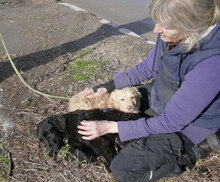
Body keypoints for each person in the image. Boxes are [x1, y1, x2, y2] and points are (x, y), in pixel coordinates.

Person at [77, 0, 220, 181]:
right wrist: (106, 87)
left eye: (165, 26)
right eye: (157, 21)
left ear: (189, 26)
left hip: (190, 125)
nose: (156, 30)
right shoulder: (172, 36)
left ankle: (198, 149)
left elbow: (171, 121)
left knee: (122, 169)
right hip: (163, 96)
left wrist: (112, 127)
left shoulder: (212, 64)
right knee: (113, 107)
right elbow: (149, 68)